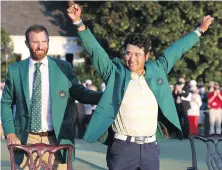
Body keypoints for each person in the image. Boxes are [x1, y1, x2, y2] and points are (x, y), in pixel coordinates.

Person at [67, 4, 213, 170]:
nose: (132, 58)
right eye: (128, 53)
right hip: (122, 148)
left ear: (147, 55)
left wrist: (199, 30)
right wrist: (79, 22)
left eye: (137, 54)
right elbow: (95, 50)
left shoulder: (158, 69)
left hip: (150, 148)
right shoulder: (114, 73)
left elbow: (177, 49)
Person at [1, 24, 102, 169]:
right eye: (35, 42)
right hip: (26, 138)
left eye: (44, 41)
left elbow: (81, 93)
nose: (40, 46)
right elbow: (5, 103)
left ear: (48, 42)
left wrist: (108, 96)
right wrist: (10, 132)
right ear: (27, 43)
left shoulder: (63, 67)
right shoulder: (15, 70)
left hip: (58, 139)